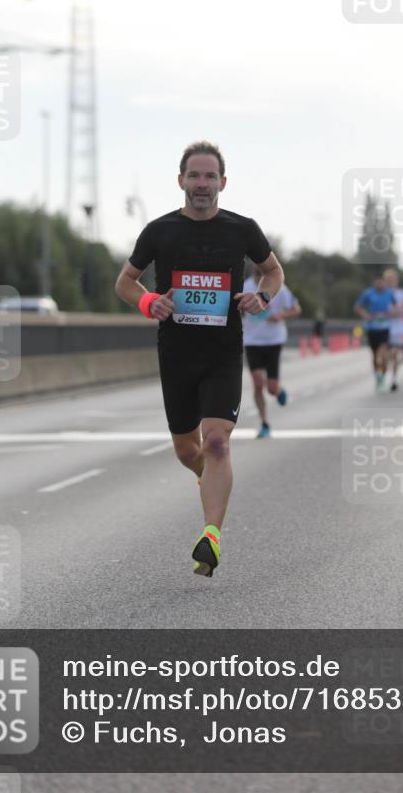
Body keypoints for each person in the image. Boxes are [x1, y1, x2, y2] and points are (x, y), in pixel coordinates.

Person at [114, 141, 284, 578]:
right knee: (188, 450)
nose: (202, 184)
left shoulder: (242, 229)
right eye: (195, 176)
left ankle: (211, 536)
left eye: (210, 177)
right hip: (176, 354)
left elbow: (274, 270)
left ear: (223, 183)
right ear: (181, 181)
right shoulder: (159, 230)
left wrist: (261, 296)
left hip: (223, 352)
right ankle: (207, 479)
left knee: (217, 442)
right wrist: (149, 300)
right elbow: (125, 282)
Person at [242, 265, 301, 438]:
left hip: (274, 340)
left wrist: (280, 316)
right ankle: (264, 423)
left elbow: (296, 308)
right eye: (256, 269)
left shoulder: (280, 288)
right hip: (252, 340)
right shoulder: (245, 287)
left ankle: (279, 390)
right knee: (258, 382)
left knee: (272, 388)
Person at [354, 275, 397, 392]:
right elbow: (357, 307)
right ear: (374, 283)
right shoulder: (368, 293)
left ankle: (382, 375)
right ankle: (378, 377)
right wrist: (365, 315)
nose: (379, 285)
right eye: (377, 283)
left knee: (382, 355)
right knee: (374, 356)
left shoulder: (389, 293)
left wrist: (391, 313)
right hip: (372, 328)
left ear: (384, 283)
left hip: (385, 328)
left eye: (381, 283)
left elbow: (396, 308)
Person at [383, 268, 403, 392]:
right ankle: (383, 373)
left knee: (395, 354)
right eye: (388, 279)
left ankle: (394, 379)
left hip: (398, 328)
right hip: (385, 327)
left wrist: (395, 311)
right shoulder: (383, 293)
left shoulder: (401, 293)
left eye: (392, 279)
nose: (390, 281)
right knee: (385, 355)